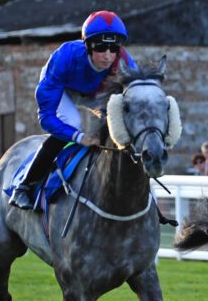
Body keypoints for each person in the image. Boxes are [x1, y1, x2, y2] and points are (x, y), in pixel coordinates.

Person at [9, 11, 136, 210]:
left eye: (113, 48)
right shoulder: (64, 57)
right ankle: (24, 187)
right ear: (87, 46)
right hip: (63, 89)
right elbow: (46, 118)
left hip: (94, 93)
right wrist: (78, 137)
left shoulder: (124, 62)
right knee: (73, 122)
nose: (108, 55)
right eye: (101, 47)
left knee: (118, 118)